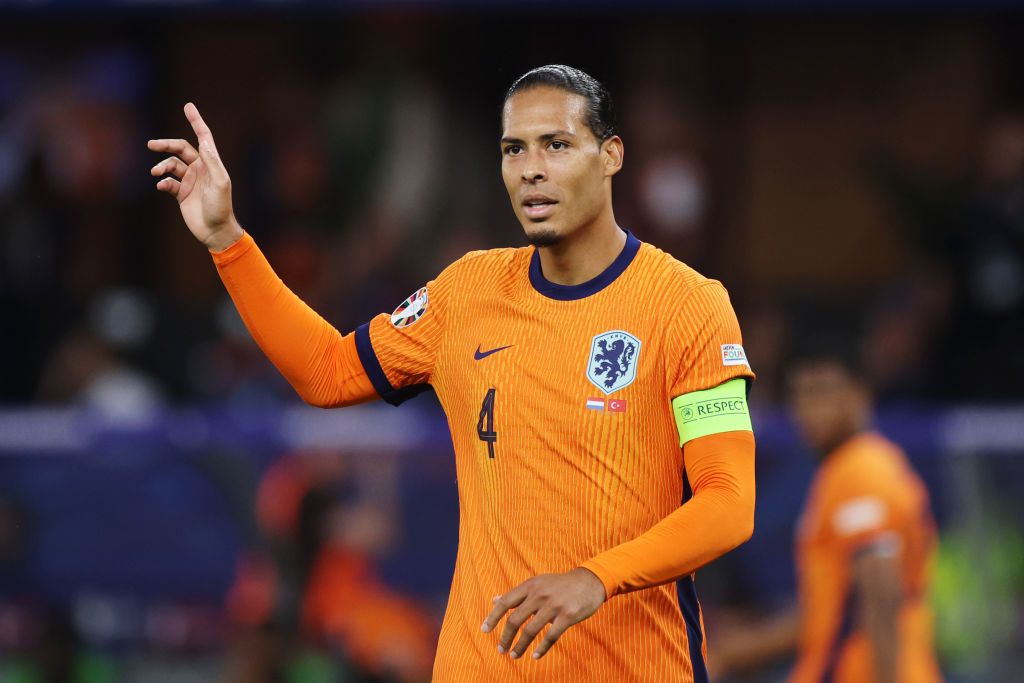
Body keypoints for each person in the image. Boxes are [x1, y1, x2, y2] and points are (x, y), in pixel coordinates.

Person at [148, 64, 756, 682]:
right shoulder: (467, 292)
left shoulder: (687, 305)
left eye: (557, 145)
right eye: (514, 149)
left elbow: (729, 503)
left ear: (611, 155)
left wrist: (596, 578)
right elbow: (327, 372)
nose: (531, 169)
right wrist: (227, 238)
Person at [712, 341, 941, 683]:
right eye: (800, 395)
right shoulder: (842, 471)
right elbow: (830, 611)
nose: (809, 409)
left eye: (822, 392)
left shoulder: (861, 470)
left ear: (859, 394)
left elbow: (880, 592)